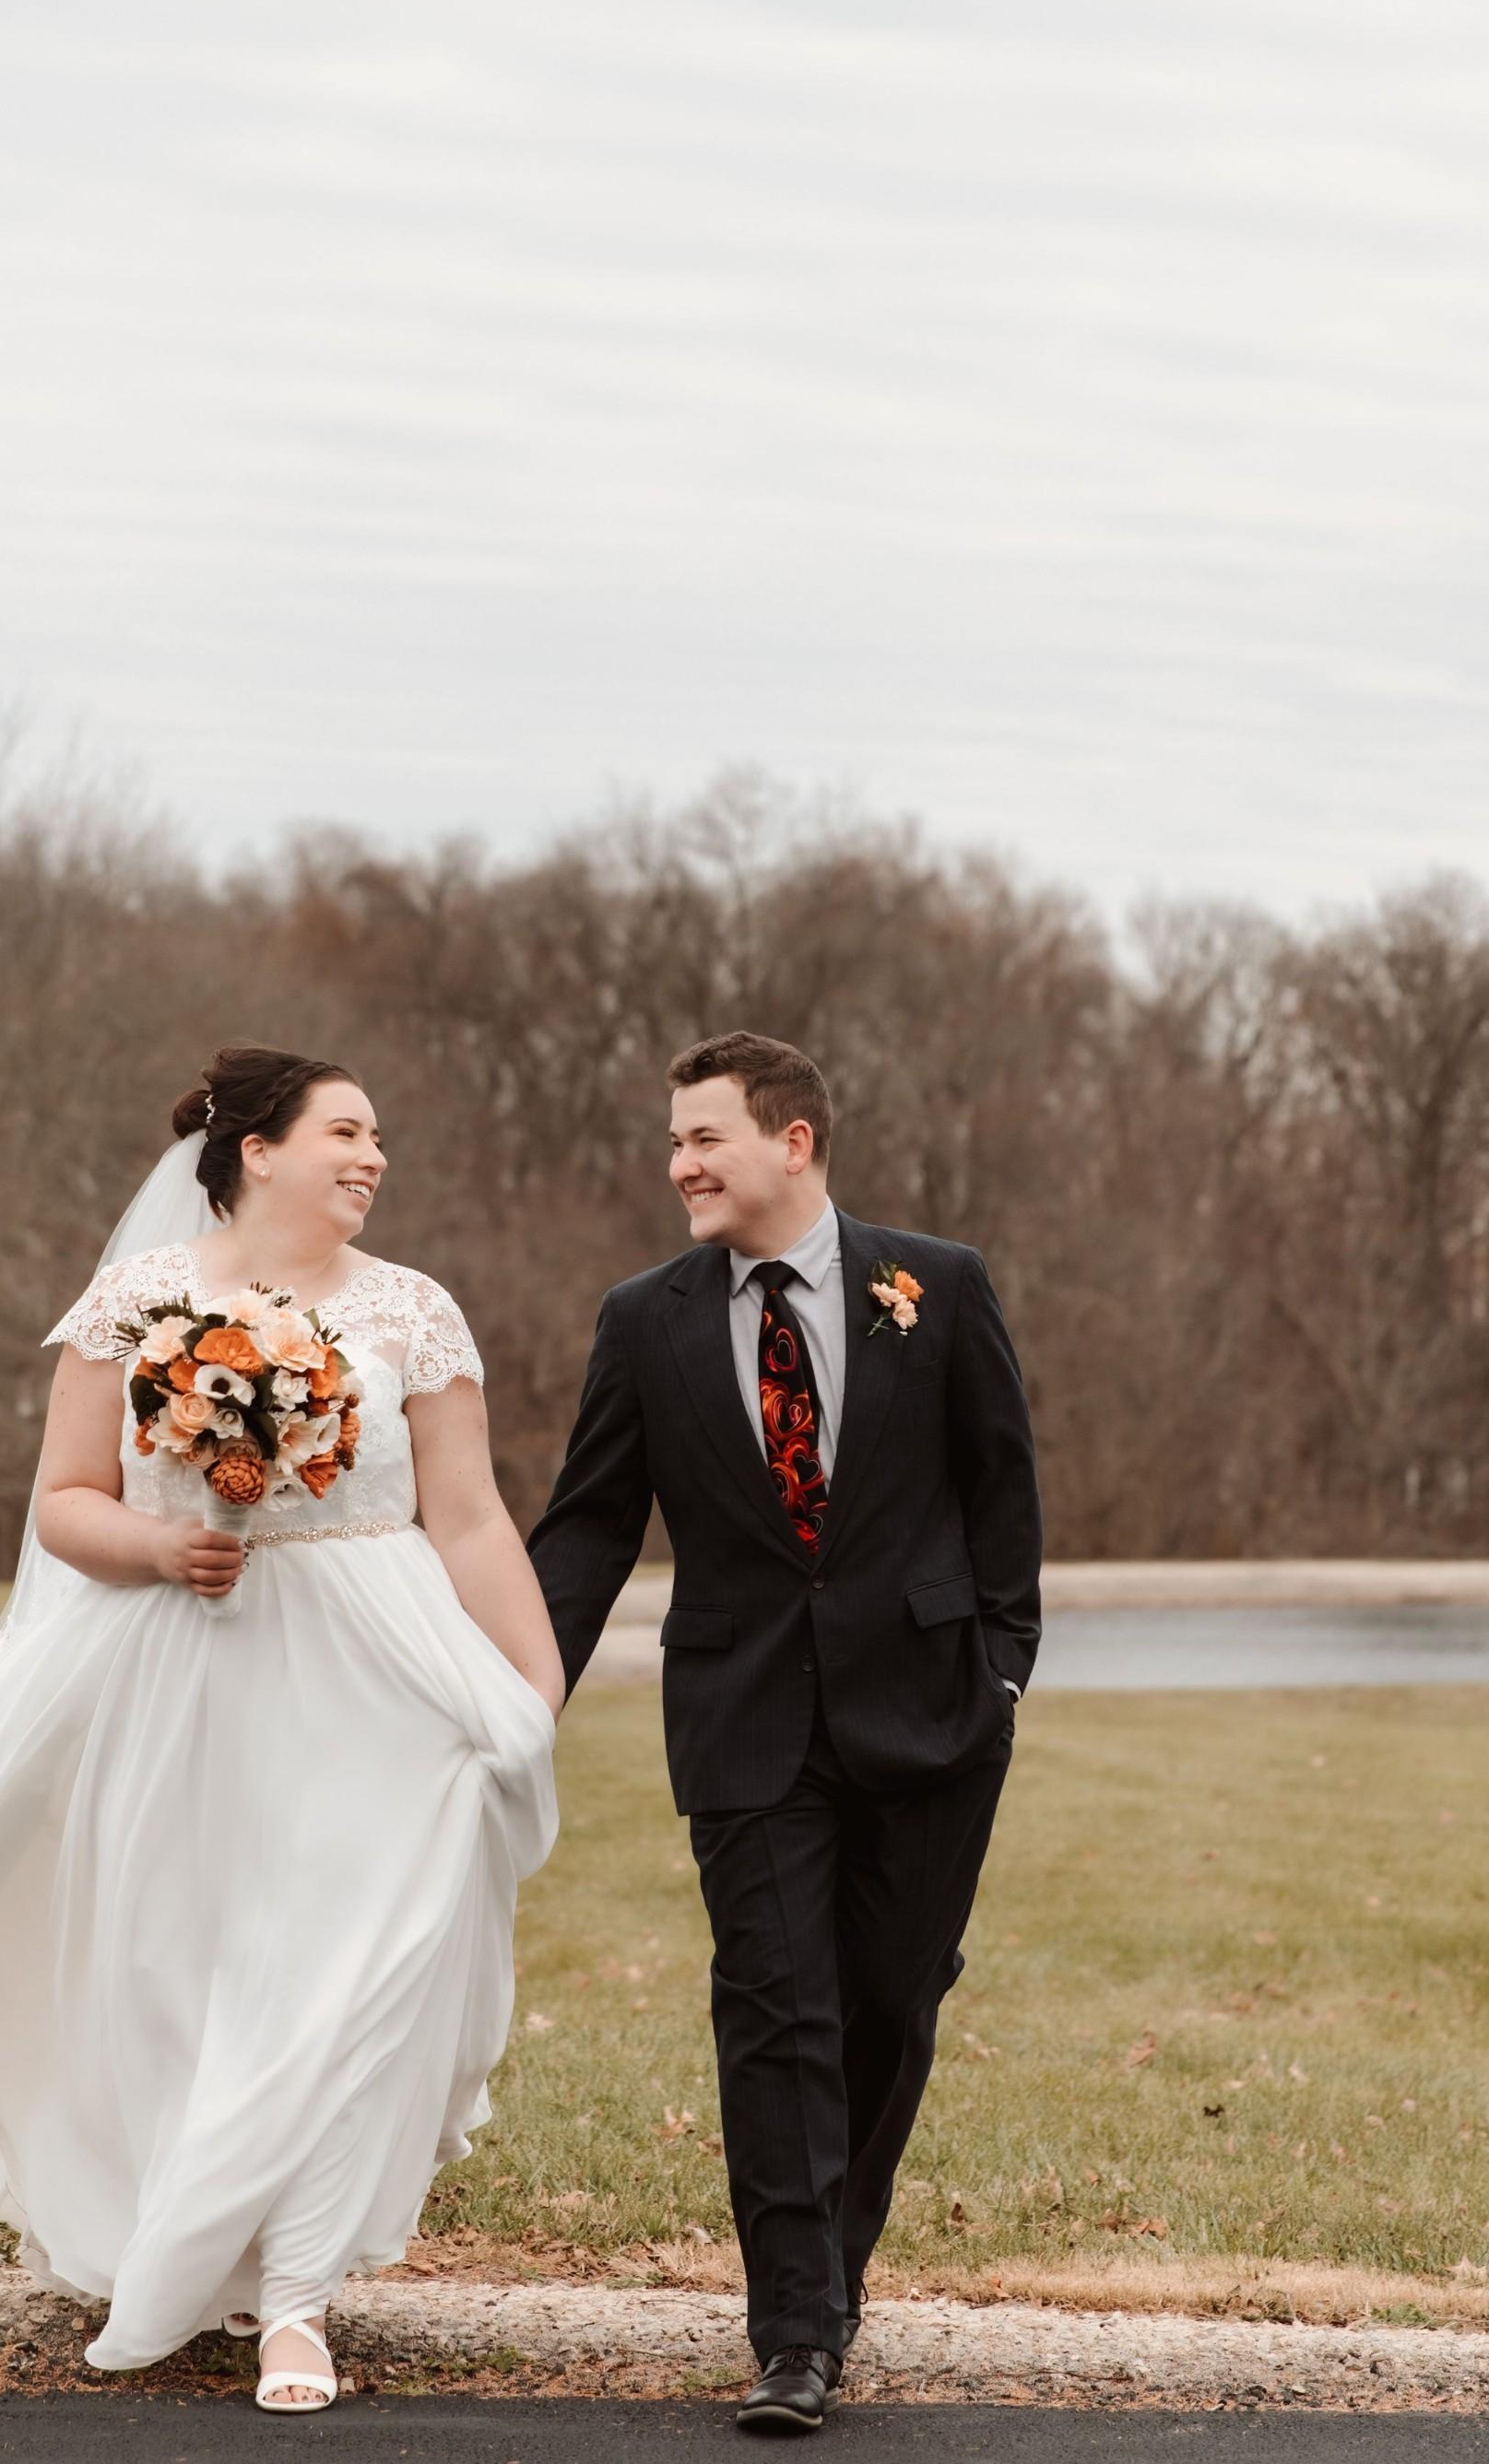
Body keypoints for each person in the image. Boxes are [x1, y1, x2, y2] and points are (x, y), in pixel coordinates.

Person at [0, 1043, 561, 2414]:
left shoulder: (416, 1313)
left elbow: (473, 1517)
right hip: (188, 1670)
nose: (374, 1159)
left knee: (348, 1974)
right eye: (346, 1133)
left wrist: (529, 1691)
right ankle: (192, 2229)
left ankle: (301, 2302)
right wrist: (162, 1546)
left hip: (381, 1679)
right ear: (257, 1149)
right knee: (192, 1969)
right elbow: (64, 1499)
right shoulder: (140, 1301)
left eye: (379, 1140)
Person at [529, 1030, 1039, 2436]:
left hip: (932, 1714)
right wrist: (519, 1689)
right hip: (744, 1718)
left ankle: (834, 2273)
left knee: (887, 2006)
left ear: (791, 1141)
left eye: (703, 1138)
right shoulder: (647, 1318)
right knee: (774, 2013)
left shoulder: (935, 1285)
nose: (678, 1163)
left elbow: (1003, 1487)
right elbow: (586, 1528)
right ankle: (796, 2334)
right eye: (676, 1141)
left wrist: (1003, 1671)